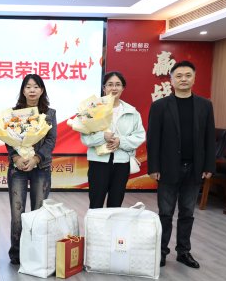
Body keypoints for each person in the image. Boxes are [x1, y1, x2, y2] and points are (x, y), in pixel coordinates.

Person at [147, 60, 215, 269]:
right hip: (168, 168)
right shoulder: (160, 106)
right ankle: (161, 252)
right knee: (165, 213)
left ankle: (183, 252)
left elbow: (209, 137)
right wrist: (154, 167)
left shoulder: (205, 105)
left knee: (187, 212)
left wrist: (208, 166)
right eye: (179, 76)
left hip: (194, 168)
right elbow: (153, 139)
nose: (183, 79)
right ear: (171, 80)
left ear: (194, 79)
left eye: (187, 75)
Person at [6, 74, 57, 265]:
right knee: (17, 213)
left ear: (42, 90)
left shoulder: (49, 113)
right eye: (28, 87)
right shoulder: (14, 113)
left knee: (38, 212)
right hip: (17, 167)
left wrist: (36, 158)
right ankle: (17, 253)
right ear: (23, 91)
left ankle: (36, 252)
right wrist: (16, 157)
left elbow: (51, 140)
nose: (32, 90)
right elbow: (7, 139)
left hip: (41, 167)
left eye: (36, 87)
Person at [80, 71, 145, 208]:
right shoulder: (92, 109)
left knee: (116, 202)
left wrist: (120, 141)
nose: (114, 88)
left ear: (123, 88)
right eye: (110, 84)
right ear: (104, 88)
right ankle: (95, 223)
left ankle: (112, 223)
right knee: (96, 202)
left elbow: (140, 136)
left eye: (117, 85)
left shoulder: (132, 112)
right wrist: (102, 137)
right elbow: (85, 139)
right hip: (98, 162)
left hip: (122, 163)